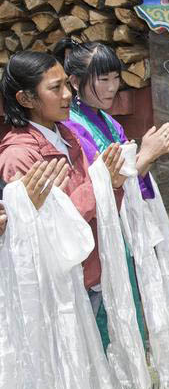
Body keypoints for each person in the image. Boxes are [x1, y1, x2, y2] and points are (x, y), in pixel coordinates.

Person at [54, 38, 169, 349]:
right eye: (103, 79)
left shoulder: (108, 122)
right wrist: (148, 154)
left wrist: (152, 154)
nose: (112, 87)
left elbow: (128, 179)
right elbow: (105, 183)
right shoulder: (73, 128)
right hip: (94, 235)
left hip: (118, 230)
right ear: (74, 82)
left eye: (116, 78)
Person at [0, 51, 126, 320]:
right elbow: (46, 233)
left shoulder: (67, 135)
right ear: (26, 99)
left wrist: (113, 186)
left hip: (92, 271)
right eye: (55, 88)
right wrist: (99, 183)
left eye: (66, 84)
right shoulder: (19, 156)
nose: (68, 94)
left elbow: (100, 208)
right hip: (61, 289)